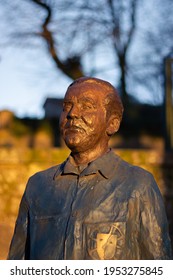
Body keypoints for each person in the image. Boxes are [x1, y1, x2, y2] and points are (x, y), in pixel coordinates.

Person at [8, 77, 172, 260]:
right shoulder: (37, 186)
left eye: (87, 106)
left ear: (113, 123)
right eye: (67, 106)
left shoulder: (138, 185)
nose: (72, 113)